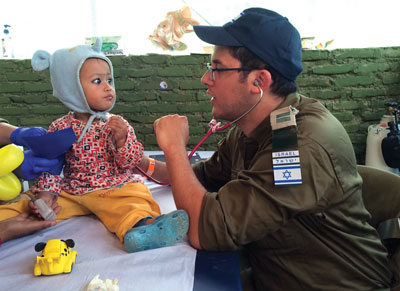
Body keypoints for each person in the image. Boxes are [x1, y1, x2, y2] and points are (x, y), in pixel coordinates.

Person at [144, 8, 392, 290]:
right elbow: (199, 176)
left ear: (258, 81)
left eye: (216, 68)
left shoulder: (299, 145)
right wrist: (140, 162)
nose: (205, 79)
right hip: (271, 275)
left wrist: (174, 147)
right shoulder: (249, 129)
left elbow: (205, 229)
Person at [0, 38, 188, 253]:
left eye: (110, 80)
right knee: (26, 203)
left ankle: (142, 229)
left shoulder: (117, 124)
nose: (108, 87)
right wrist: (46, 197)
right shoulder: (61, 126)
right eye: (97, 81)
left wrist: (122, 141)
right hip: (73, 191)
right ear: (70, 89)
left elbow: (130, 162)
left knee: (133, 200)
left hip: (113, 188)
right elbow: (52, 166)